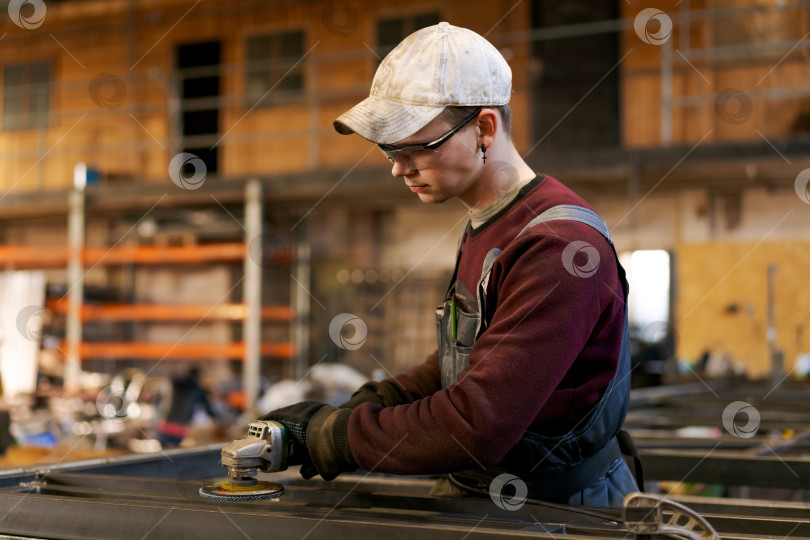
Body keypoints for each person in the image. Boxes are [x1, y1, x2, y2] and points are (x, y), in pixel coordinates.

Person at [261, 22, 639, 507]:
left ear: (484, 129)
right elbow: (471, 358)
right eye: (389, 149)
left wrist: (336, 437)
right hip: (493, 492)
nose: (398, 167)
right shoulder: (490, 223)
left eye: (416, 147)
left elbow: (477, 423)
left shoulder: (559, 248)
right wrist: (380, 399)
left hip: (555, 512)